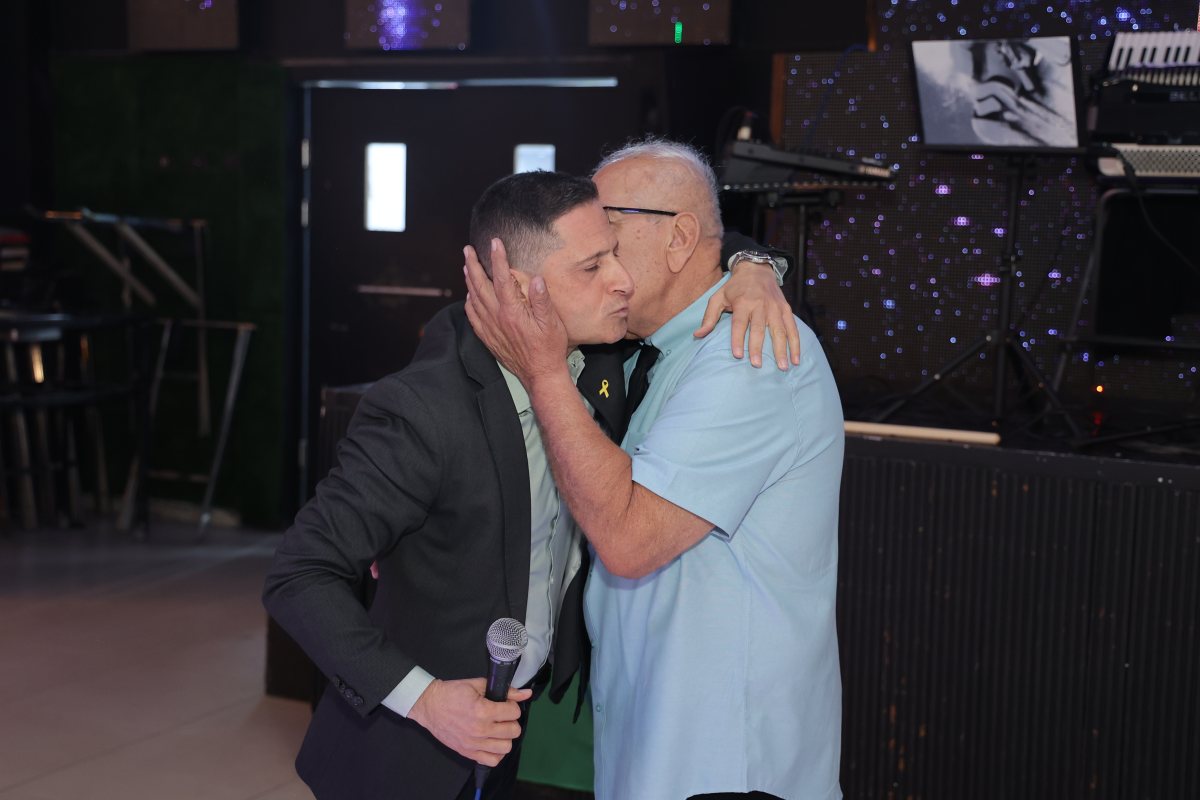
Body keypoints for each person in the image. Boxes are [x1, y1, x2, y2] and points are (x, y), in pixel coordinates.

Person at [263, 169, 798, 800]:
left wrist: (754, 267)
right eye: (593, 266)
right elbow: (298, 574)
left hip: (511, 730)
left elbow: (687, 232)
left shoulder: (600, 350)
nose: (622, 279)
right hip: (405, 752)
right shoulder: (425, 411)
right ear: (518, 289)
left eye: (615, 254)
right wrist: (426, 699)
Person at [464, 140, 845, 800]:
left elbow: (630, 539)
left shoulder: (748, 354)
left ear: (680, 240)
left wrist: (545, 372)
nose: (598, 256)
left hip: (727, 764)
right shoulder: (652, 350)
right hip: (658, 745)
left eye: (609, 234)